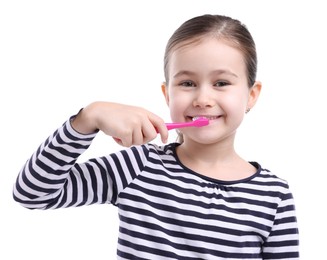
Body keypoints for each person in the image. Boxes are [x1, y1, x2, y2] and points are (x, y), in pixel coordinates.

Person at [13, 14, 299, 259]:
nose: (203, 98)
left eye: (221, 83)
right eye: (187, 83)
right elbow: (32, 193)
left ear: (251, 95)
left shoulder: (274, 195)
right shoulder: (139, 167)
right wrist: (88, 118)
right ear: (167, 94)